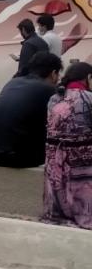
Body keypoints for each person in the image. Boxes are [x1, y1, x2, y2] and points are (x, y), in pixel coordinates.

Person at [0, 53, 63, 168]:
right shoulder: (48, 90)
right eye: (58, 74)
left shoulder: (12, 82)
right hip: (18, 157)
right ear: (54, 73)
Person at [43, 62, 92, 230]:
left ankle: (58, 214)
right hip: (80, 162)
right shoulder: (88, 98)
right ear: (88, 78)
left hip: (54, 163)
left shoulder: (54, 98)